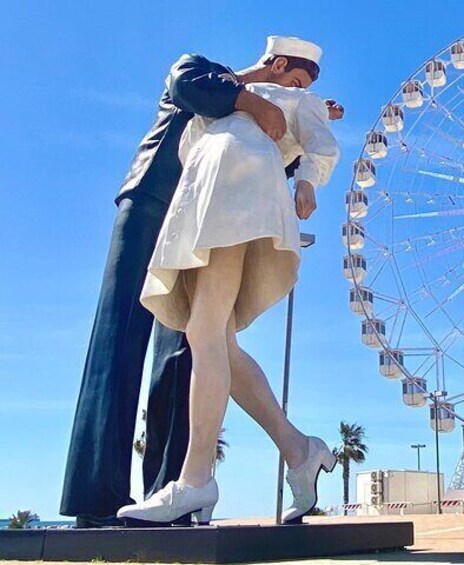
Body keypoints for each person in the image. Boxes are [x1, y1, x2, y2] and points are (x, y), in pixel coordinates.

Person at [61, 39, 343, 528]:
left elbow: (296, 151)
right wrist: (257, 95)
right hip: (167, 202)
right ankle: (100, 490)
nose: (297, 90)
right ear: (276, 64)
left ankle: (183, 483)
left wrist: (305, 142)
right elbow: (190, 87)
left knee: (194, 343)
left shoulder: (282, 107)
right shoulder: (206, 73)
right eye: (295, 79)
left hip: (223, 202)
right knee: (139, 337)